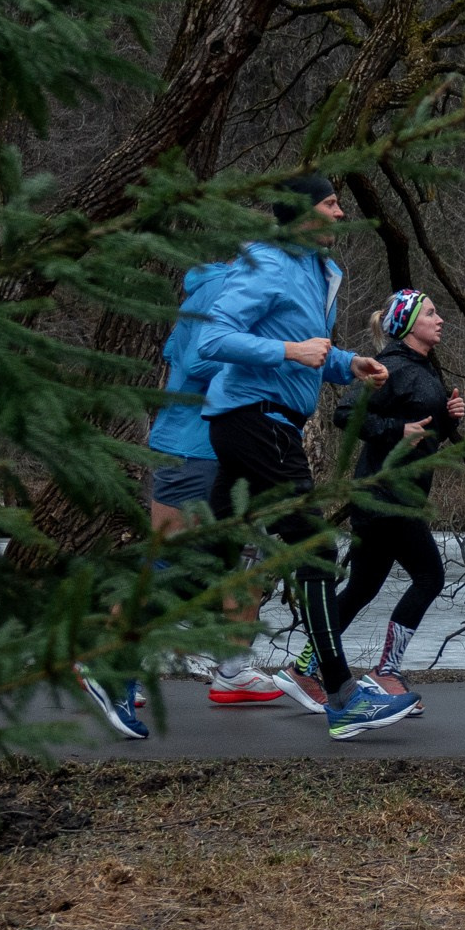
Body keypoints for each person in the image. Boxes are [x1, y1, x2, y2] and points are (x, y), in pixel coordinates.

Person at [198, 175, 417, 739]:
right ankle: (342, 695)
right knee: (316, 552)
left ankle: (109, 664)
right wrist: (289, 351)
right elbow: (212, 339)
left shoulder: (313, 270)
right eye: (331, 204)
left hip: (259, 420)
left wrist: (350, 365)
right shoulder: (267, 263)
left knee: (209, 550)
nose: (343, 214)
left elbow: (307, 345)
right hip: (257, 418)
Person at [298, 288, 465, 717]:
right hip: (386, 496)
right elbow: (346, 414)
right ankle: (386, 673)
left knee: (360, 588)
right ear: (410, 324)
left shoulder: (421, 369)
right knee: (429, 576)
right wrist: (397, 429)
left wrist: (449, 418)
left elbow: (423, 434)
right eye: (431, 313)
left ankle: (305, 668)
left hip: (386, 497)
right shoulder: (391, 366)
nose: (440, 319)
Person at [137, 261, 284, 715]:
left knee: (249, 559)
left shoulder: (258, 290)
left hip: (232, 444)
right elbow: (194, 358)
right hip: (192, 446)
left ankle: (234, 670)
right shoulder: (222, 287)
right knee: (172, 563)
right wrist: (275, 351)